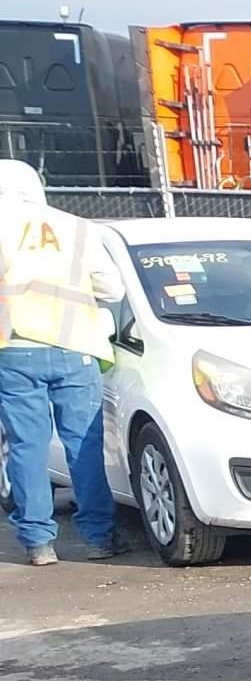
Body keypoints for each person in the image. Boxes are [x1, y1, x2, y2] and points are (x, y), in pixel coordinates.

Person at [0, 160, 128, 565]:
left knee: (26, 445)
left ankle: (38, 542)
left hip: (13, 349)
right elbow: (112, 286)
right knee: (84, 445)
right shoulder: (77, 227)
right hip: (76, 347)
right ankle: (99, 538)